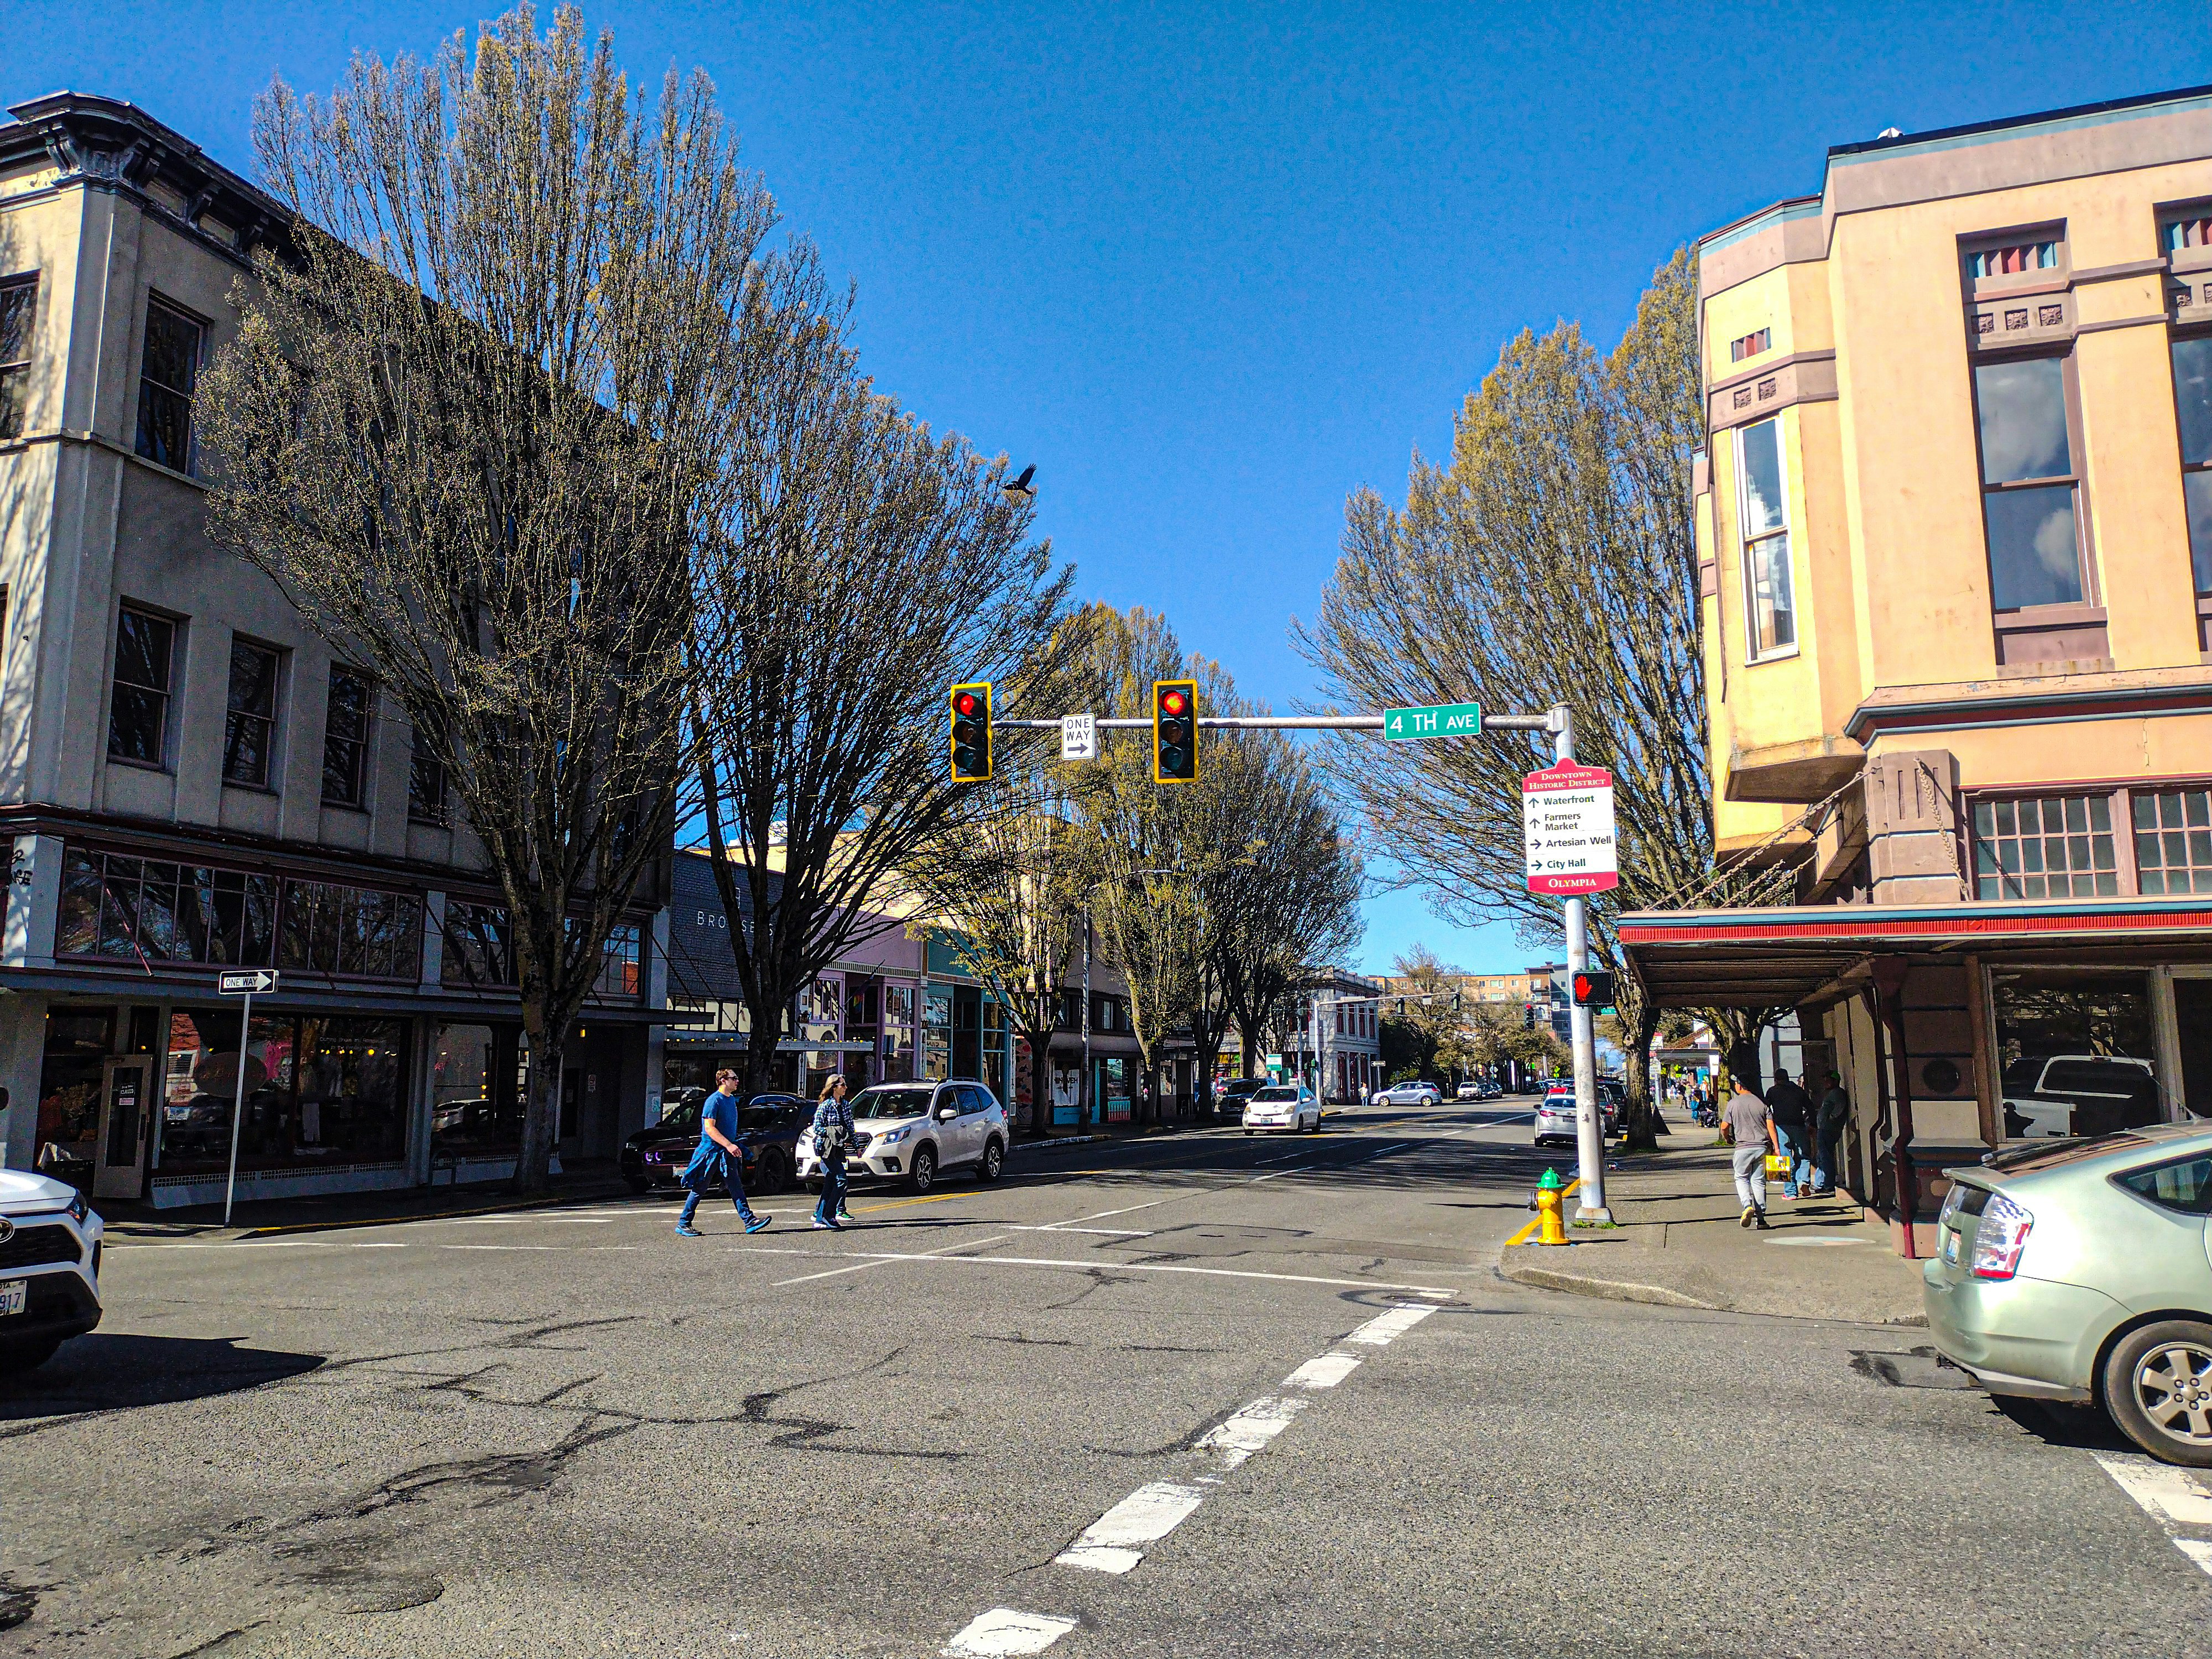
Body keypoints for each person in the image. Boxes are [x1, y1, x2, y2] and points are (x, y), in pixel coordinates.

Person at [675, 1070, 772, 1239]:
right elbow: (709, 1128)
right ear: (723, 1081)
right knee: (700, 1187)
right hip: (711, 1151)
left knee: (735, 1186)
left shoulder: (731, 1100)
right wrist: (728, 1145)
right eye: (734, 1078)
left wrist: (731, 1145)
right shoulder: (714, 1101)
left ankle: (749, 1221)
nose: (737, 1081)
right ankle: (684, 1223)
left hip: (726, 1151)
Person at [1724, 1079, 1776, 1229]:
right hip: (1762, 1148)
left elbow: (1724, 1126)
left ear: (1740, 1085)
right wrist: (1777, 1148)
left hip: (1743, 1148)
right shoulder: (1763, 1103)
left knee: (1741, 1178)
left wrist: (1727, 1138)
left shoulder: (1733, 1103)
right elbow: (1771, 1127)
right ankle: (1761, 1219)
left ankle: (1747, 1206)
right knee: (1759, 1182)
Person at [811, 1074, 855, 1231]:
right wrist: (833, 1132)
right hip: (827, 1149)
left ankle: (820, 1217)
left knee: (830, 1182)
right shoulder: (825, 1106)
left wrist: (856, 1146)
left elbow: (850, 1126)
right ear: (834, 1087)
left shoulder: (845, 1105)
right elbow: (817, 1128)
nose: (845, 1088)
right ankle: (830, 1215)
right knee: (841, 1180)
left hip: (839, 1149)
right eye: (843, 1085)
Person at [1765, 1068, 1816, 1199]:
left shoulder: (1772, 1091)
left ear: (1776, 1079)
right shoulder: (1798, 1091)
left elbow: (1766, 1109)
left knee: (1784, 1159)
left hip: (1780, 1128)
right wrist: (1813, 1124)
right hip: (1799, 1126)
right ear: (1788, 1078)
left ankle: (1790, 1192)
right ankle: (1803, 1181)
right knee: (1804, 1156)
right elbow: (1810, 1107)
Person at [1813, 1070, 1850, 1198]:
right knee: (1822, 1156)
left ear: (1835, 1081)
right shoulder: (1833, 1093)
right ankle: (1822, 1183)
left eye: (1828, 1080)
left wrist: (1831, 1119)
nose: (1825, 1082)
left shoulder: (1837, 1093)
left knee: (1826, 1157)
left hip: (1828, 1129)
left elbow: (1839, 1108)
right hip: (1825, 1129)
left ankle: (1828, 1185)